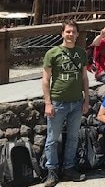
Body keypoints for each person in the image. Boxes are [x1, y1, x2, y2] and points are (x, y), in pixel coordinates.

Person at [42, 20, 89, 187]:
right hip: (58, 101)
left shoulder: (81, 52)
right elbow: (46, 79)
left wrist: (87, 100)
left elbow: (84, 77)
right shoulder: (52, 53)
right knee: (52, 139)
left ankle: (69, 168)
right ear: (62, 33)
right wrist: (48, 103)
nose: (70, 34)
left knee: (73, 137)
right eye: (67, 31)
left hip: (76, 102)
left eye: (73, 32)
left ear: (77, 34)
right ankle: (52, 171)